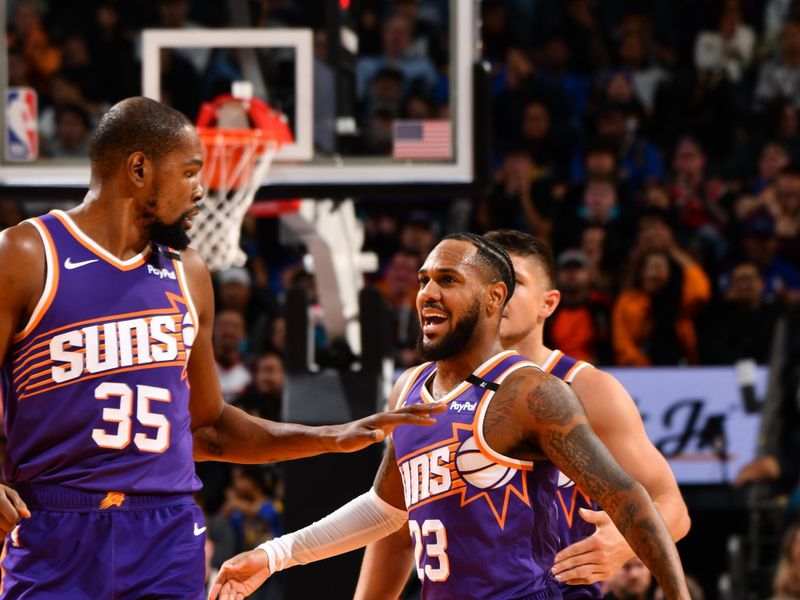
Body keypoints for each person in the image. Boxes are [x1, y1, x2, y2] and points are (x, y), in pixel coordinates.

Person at [0, 97, 443, 599]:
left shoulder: (187, 273)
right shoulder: (26, 255)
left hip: (165, 532)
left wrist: (330, 437)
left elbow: (208, 429)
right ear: (139, 168)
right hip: (55, 524)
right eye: (189, 173)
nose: (202, 190)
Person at [210, 233, 691, 599]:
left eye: (448, 280)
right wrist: (274, 555)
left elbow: (641, 500)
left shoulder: (544, 390)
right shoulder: (414, 387)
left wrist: (633, 552)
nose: (428, 292)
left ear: (494, 296)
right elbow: (388, 513)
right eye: (424, 280)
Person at [353, 230, 688, 600]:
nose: (499, 294)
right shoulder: (427, 388)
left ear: (548, 303)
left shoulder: (586, 387)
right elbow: (396, 529)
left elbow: (672, 507)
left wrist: (623, 545)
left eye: (515, 283)